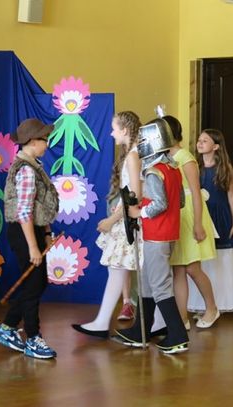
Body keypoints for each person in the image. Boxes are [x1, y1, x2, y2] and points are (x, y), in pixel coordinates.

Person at [112, 118, 189, 354]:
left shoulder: (154, 171)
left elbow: (161, 203)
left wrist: (140, 211)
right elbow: (180, 201)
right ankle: (140, 331)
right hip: (166, 233)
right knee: (146, 283)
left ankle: (177, 335)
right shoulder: (173, 168)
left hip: (158, 235)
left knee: (160, 286)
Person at [0, 118, 59, 359]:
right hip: (23, 232)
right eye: (44, 139)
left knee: (36, 283)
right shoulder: (27, 170)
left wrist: (47, 234)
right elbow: (24, 212)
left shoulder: (34, 165)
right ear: (32, 141)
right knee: (33, 285)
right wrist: (33, 247)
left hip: (34, 230)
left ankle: (7, 327)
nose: (47, 143)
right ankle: (32, 338)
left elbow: (40, 206)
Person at [71, 111, 142, 338]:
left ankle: (102, 322)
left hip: (128, 222)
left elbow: (136, 196)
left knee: (118, 269)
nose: (112, 133)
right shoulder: (131, 155)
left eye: (114, 129)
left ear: (125, 130)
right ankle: (101, 321)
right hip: (124, 218)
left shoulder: (133, 156)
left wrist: (112, 219)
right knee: (116, 270)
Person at [187, 129, 233, 312]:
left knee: (222, 255)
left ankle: (224, 301)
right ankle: (202, 302)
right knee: (203, 257)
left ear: (216, 146)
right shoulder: (195, 167)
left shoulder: (225, 169)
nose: (200, 143)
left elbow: (232, 196)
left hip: (221, 216)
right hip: (202, 216)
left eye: (205, 141)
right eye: (199, 140)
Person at [163, 116, 219, 329]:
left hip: (190, 214)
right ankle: (181, 318)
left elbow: (195, 193)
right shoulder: (166, 157)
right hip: (176, 215)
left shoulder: (185, 157)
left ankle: (212, 308)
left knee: (193, 268)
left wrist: (198, 224)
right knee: (178, 268)